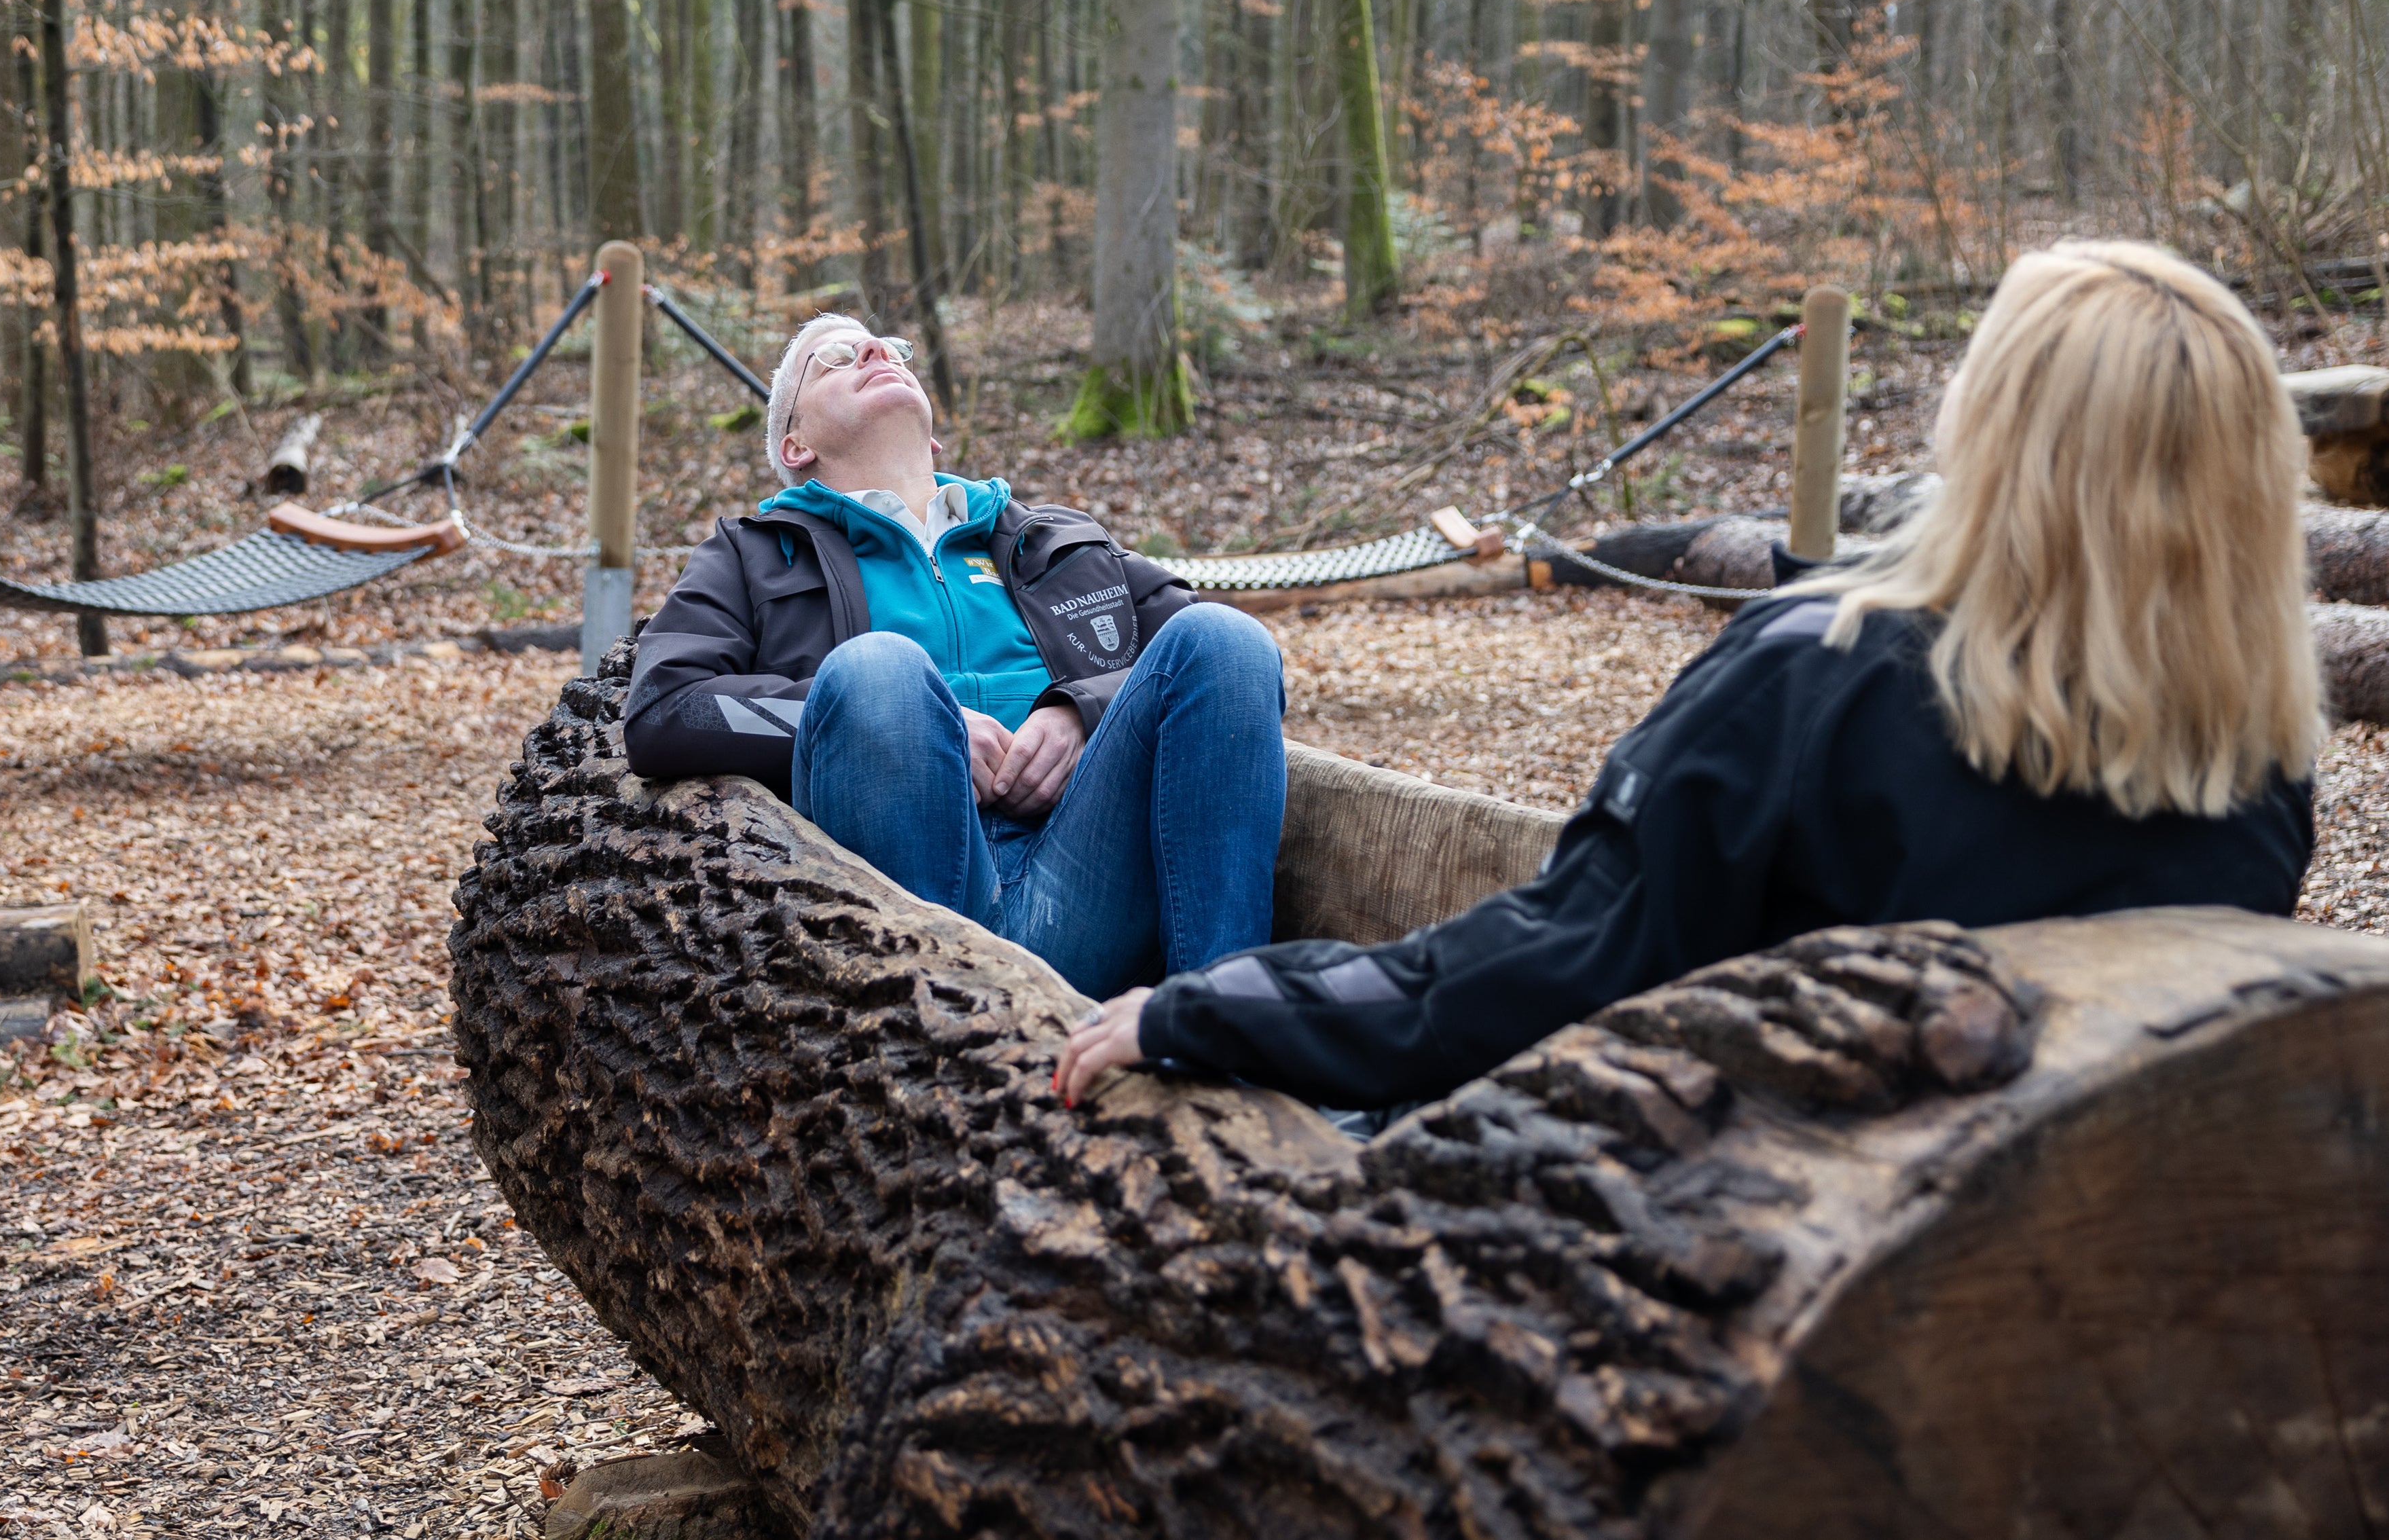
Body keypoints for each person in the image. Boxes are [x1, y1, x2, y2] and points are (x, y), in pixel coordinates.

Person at [1057, 240, 2323, 1112]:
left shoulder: (1822, 683)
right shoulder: (2258, 769)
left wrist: (1205, 1012)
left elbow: (1543, 978)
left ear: (1999, 442)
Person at [623, 313, 1288, 999]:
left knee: (1227, 638)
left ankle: (1222, 1020)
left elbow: (1212, 670)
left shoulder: (1054, 539)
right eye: (838, 356)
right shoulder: (753, 553)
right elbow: (662, 711)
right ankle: (939, 1035)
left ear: (932, 435)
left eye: (893, 351)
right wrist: (898, 720)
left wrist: (1081, 710)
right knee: (878, 668)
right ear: (795, 445)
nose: (878, 350)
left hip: (1093, 875)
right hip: (908, 900)